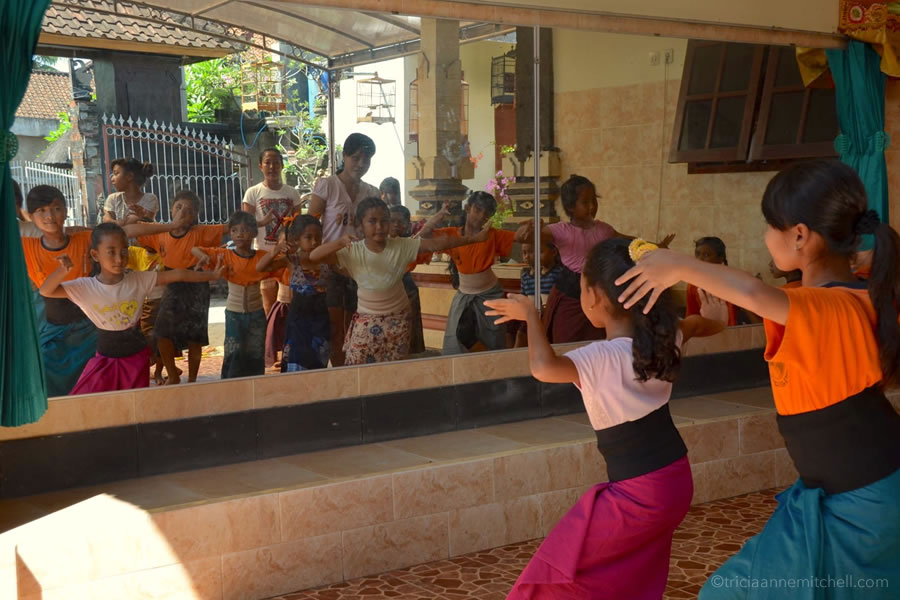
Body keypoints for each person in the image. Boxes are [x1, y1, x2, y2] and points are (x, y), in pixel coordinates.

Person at [615, 160, 900, 600]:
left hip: (867, 502)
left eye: (770, 227)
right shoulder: (848, 296)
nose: (765, 237)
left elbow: (751, 292)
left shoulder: (830, 308)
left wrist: (679, 265)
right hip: (847, 491)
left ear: (800, 236)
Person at [484, 237, 724, 599]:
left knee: (559, 569)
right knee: (627, 571)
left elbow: (543, 367)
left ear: (594, 297)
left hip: (640, 493)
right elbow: (700, 324)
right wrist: (717, 319)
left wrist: (532, 316)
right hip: (674, 481)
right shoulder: (666, 336)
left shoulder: (601, 357)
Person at [39, 223, 224, 394]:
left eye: (124, 251)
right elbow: (47, 291)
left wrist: (211, 274)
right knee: (98, 405)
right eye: (111, 252)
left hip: (136, 358)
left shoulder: (138, 280)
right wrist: (62, 271)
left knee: (135, 407)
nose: (119, 259)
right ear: (95, 255)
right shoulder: (85, 287)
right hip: (105, 360)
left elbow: (179, 274)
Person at [310, 197, 489, 364]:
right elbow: (314, 256)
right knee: (358, 367)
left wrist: (473, 239)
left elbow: (438, 244)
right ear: (360, 225)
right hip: (366, 320)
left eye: (384, 221)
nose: (379, 226)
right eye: (372, 221)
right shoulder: (353, 251)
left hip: (398, 320)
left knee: (394, 371)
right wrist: (340, 242)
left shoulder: (402, 246)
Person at [516, 174, 674, 343]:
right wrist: (527, 229)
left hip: (599, 293)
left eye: (594, 200)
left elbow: (630, 242)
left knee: (597, 340)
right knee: (566, 340)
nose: (592, 206)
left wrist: (656, 246)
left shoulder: (603, 230)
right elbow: (522, 237)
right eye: (585, 202)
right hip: (570, 295)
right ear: (570, 208)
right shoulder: (561, 230)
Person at [125, 190, 227, 385]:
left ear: (195, 216)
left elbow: (229, 228)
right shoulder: (160, 231)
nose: (183, 212)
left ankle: (192, 379)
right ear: (171, 209)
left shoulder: (201, 232)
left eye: (189, 210)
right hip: (172, 285)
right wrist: (140, 216)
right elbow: (132, 228)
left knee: (194, 337)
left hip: (197, 286)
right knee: (161, 332)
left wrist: (260, 224)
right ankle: (172, 374)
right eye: (179, 207)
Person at [306, 133, 380, 366]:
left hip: (360, 268)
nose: (360, 164)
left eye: (366, 160)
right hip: (330, 267)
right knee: (335, 325)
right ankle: (341, 373)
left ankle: (354, 370)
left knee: (357, 324)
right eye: (356, 158)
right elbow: (310, 225)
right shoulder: (327, 185)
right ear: (344, 156)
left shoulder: (372, 192)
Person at [20, 185, 98, 396]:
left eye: (55, 208)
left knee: (91, 380)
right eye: (41, 211)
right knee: (43, 373)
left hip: (89, 329)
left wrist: (171, 226)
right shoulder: (26, 246)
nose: (49, 216)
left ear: (65, 209)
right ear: (30, 216)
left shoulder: (85, 239)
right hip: (52, 328)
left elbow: (120, 233)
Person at [192, 211, 283, 379]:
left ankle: (254, 386)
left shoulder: (261, 256)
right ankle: (230, 386)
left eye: (245, 230)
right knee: (234, 353)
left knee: (255, 353)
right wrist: (205, 258)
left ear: (255, 233)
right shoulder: (225, 255)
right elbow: (194, 249)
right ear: (230, 233)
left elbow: (283, 263)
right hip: (234, 314)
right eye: (235, 230)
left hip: (257, 314)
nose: (240, 234)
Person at [431, 191, 517, 355]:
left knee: (493, 337)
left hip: (490, 294)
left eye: (486, 214)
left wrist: (533, 229)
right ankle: (463, 373)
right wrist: (439, 214)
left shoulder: (491, 235)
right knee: (457, 334)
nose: (480, 216)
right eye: (477, 210)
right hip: (464, 294)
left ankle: (491, 373)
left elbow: (520, 237)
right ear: (467, 208)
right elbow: (425, 235)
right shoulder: (452, 235)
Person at [257, 215, 332, 371]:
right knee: (296, 361)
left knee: (318, 361)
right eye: (308, 237)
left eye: (318, 238)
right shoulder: (291, 260)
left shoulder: (327, 259)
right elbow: (260, 268)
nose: (314, 242)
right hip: (298, 320)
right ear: (297, 239)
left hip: (321, 319)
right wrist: (275, 250)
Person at [241, 147, 303, 321]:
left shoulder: (292, 193)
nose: (272, 167)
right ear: (260, 166)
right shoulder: (252, 193)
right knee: (268, 307)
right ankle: (270, 345)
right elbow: (245, 225)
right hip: (264, 256)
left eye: (276, 162)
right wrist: (261, 223)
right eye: (267, 162)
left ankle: (286, 344)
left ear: (282, 166)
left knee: (288, 305)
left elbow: (298, 225)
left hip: (287, 257)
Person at [514, 239, 562, 348]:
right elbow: (523, 296)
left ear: (553, 252)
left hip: (550, 316)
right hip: (531, 315)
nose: (527, 256)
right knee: (520, 334)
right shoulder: (526, 276)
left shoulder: (558, 274)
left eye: (535, 252)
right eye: (524, 253)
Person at [685, 237, 740, 325]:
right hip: (704, 333)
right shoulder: (693, 284)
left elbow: (732, 319)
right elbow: (691, 315)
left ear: (720, 259)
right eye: (697, 254)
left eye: (706, 255)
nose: (700, 259)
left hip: (729, 332)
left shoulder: (731, 282)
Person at [103, 158, 159, 225]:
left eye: (116, 173)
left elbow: (145, 223)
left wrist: (115, 224)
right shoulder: (113, 198)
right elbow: (106, 219)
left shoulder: (150, 198)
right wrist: (122, 222)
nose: (112, 179)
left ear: (130, 176)